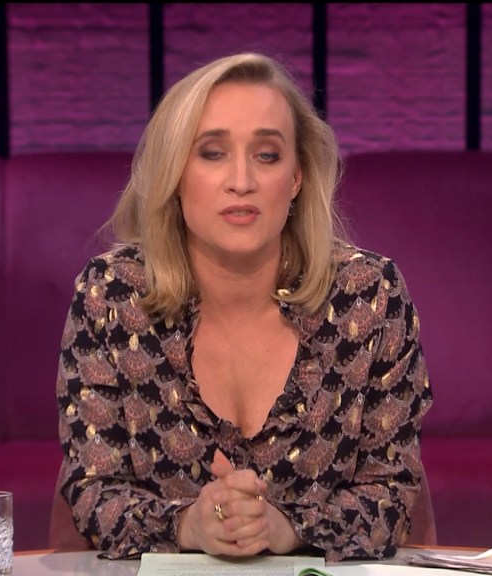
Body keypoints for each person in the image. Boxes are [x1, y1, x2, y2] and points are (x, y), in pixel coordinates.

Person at [54, 52, 434, 562]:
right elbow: (91, 490)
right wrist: (188, 525)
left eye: (267, 155)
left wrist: (288, 528)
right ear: (175, 173)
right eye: (212, 153)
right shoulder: (112, 297)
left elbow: (392, 493)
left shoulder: (368, 297)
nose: (241, 180)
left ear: (296, 177)